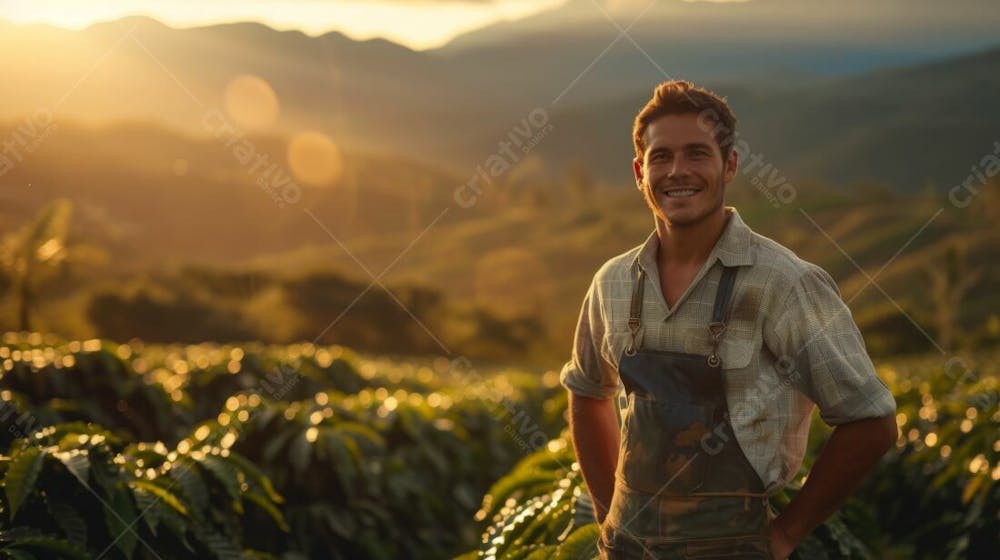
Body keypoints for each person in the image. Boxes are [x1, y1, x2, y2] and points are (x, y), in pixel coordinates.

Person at [560, 80, 898, 559]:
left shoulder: (784, 283)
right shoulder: (612, 282)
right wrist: (608, 516)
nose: (678, 171)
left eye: (697, 154)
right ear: (640, 172)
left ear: (730, 165)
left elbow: (872, 422)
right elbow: (587, 392)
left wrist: (785, 534)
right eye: (661, 157)